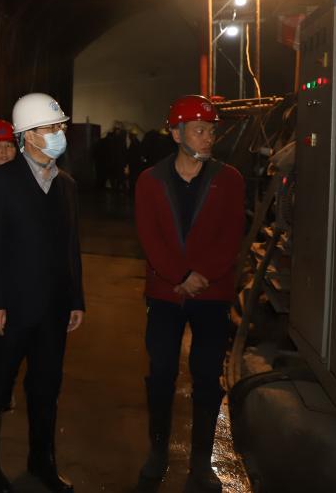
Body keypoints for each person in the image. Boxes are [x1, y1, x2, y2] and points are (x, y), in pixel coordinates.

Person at [0, 93, 85, 493]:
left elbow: (72, 245)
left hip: (54, 309)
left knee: (46, 387)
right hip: (12, 308)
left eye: (60, 127)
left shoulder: (66, 185)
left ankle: (42, 461)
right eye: (50, 128)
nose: (58, 134)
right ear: (28, 135)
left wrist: (76, 299)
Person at [134, 95, 243, 492]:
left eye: (211, 131)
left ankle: (200, 463)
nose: (208, 137)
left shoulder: (229, 179)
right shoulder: (150, 181)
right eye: (199, 130)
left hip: (212, 294)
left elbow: (232, 235)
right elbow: (149, 236)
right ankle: (158, 451)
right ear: (176, 134)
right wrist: (179, 274)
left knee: (207, 377)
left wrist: (202, 275)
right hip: (165, 293)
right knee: (161, 372)